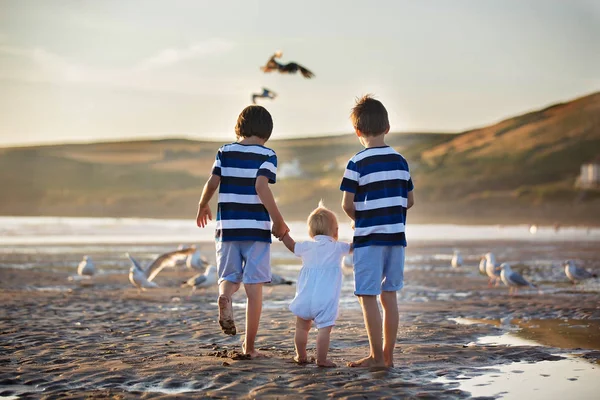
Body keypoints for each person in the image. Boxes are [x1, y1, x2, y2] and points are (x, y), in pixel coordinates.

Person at [195, 105, 289, 358]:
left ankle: (224, 296)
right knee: (254, 288)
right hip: (256, 229)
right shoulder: (268, 155)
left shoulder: (224, 152)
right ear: (267, 132)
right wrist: (277, 220)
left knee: (228, 278)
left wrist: (203, 204)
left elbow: (212, 182)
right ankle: (249, 347)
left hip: (227, 228)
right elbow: (261, 187)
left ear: (239, 128)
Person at [339, 95, 415, 368]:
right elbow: (410, 200)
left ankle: (375, 356)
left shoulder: (356, 162)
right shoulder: (400, 161)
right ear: (388, 127)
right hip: (396, 239)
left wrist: (360, 219)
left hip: (369, 239)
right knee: (389, 294)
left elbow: (347, 204)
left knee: (368, 295)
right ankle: (388, 357)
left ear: (358, 131)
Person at [280, 202, 352, 367]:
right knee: (324, 329)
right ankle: (321, 359)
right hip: (325, 299)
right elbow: (355, 246)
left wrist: (283, 233)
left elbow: (291, 245)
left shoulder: (306, 246)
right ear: (335, 231)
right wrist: (362, 231)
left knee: (301, 327)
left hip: (305, 297)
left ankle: (301, 355)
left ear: (310, 231)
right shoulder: (337, 247)